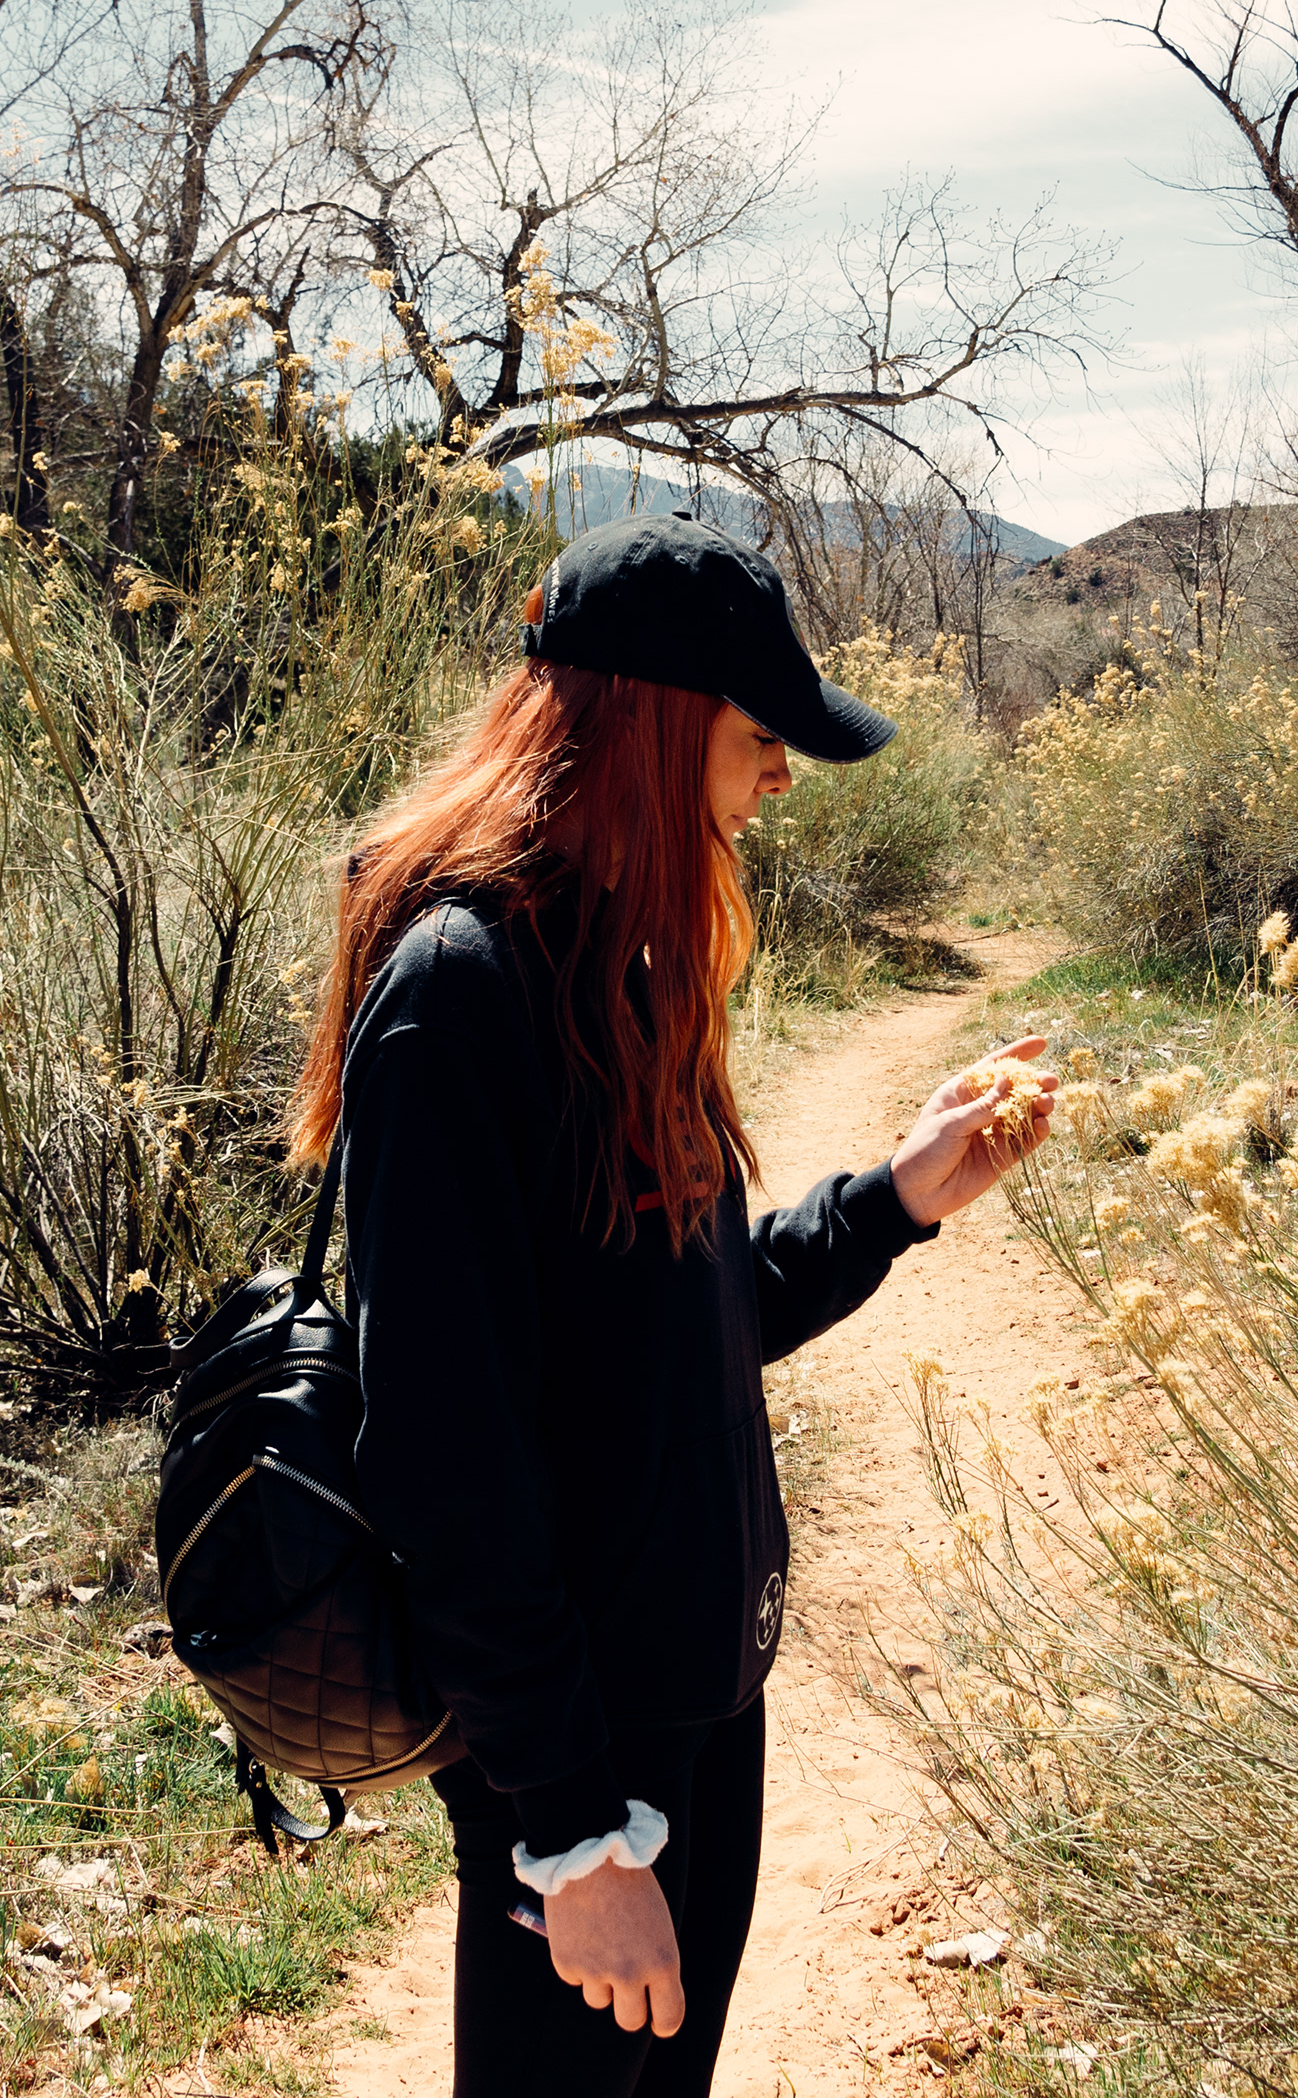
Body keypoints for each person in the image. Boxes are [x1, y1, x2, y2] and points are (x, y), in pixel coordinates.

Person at [288, 514, 1054, 2097]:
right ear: (651, 718)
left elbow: (673, 1334)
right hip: (591, 1754)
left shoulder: (617, 966)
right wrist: (574, 1834)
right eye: (761, 734)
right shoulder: (461, 991)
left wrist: (896, 1199)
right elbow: (447, 1457)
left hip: (696, 1702)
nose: (782, 777)